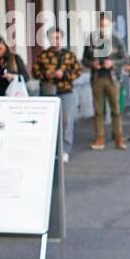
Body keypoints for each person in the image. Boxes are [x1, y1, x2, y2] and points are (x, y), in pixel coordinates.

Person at [31, 27, 83, 162]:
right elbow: (34, 73)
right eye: (53, 38)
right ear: (49, 39)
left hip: (66, 92)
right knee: (49, 123)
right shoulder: (42, 56)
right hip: (48, 92)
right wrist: (45, 74)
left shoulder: (69, 55)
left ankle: (65, 150)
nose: (56, 40)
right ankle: (50, 150)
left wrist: (64, 74)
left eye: (58, 37)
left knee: (66, 122)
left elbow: (78, 71)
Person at [83, 16, 127, 150]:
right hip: (97, 77)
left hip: (112, 78)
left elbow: (124, 59)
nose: (104, 28)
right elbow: (84, 59)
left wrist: (113, 63)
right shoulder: (91, 40)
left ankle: (118, 137)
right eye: (101, 25)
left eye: (106, 25)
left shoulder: (116, 39)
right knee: (98, 110)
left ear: (110, 26)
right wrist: (92, 64)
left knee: (116, 109)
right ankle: (99, 137)